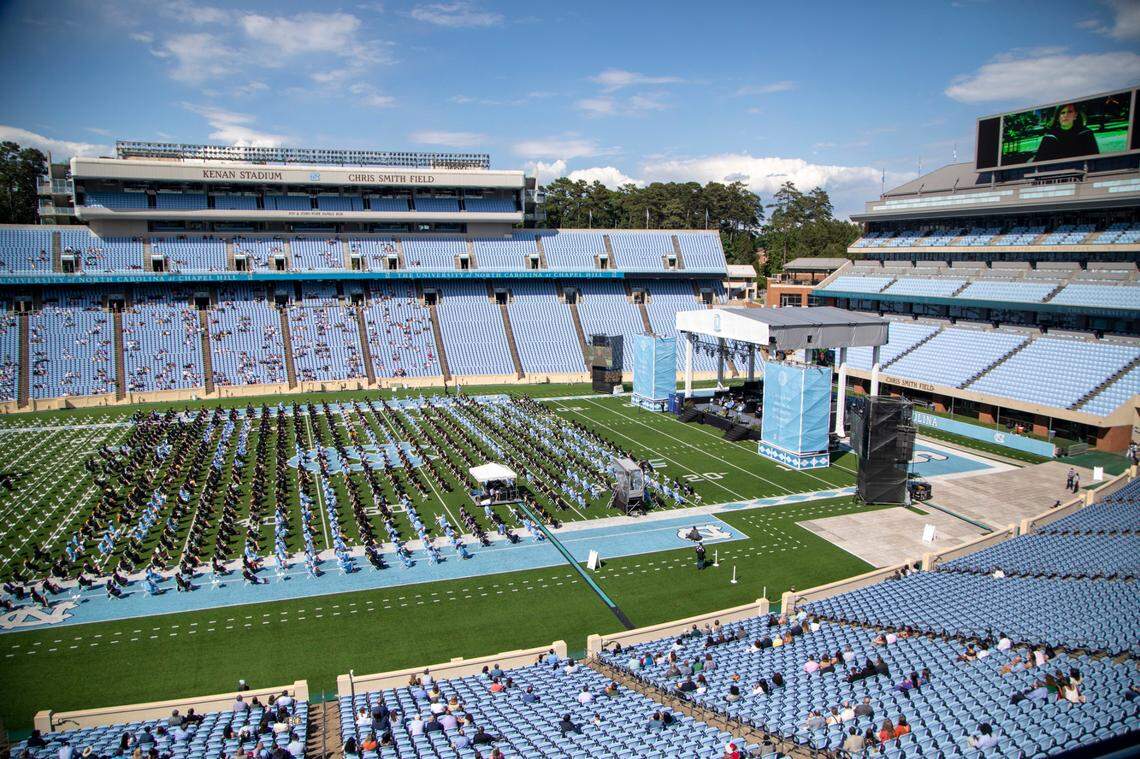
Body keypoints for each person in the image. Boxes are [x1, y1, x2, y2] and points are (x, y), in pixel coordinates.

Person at [1032, 103, 1100, 163]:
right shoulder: (1050, 137)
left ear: (1075, 115)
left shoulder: (1086, 134)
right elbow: (1037, 162)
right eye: (1062, 113)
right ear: (1058, 117)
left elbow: (1095, 160)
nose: (1066, 115)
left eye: (1070, 112)